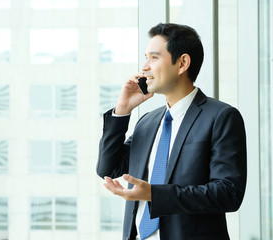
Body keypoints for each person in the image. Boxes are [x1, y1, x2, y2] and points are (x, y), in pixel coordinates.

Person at [96, 23, 247, 240]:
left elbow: (228, 193)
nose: (145, 67)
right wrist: (122, 110)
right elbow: (108, 168)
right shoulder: (148, 122)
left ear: (182, 63)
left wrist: (153, 194)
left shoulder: (220, 117)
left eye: (154, 58)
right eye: (145, 57)